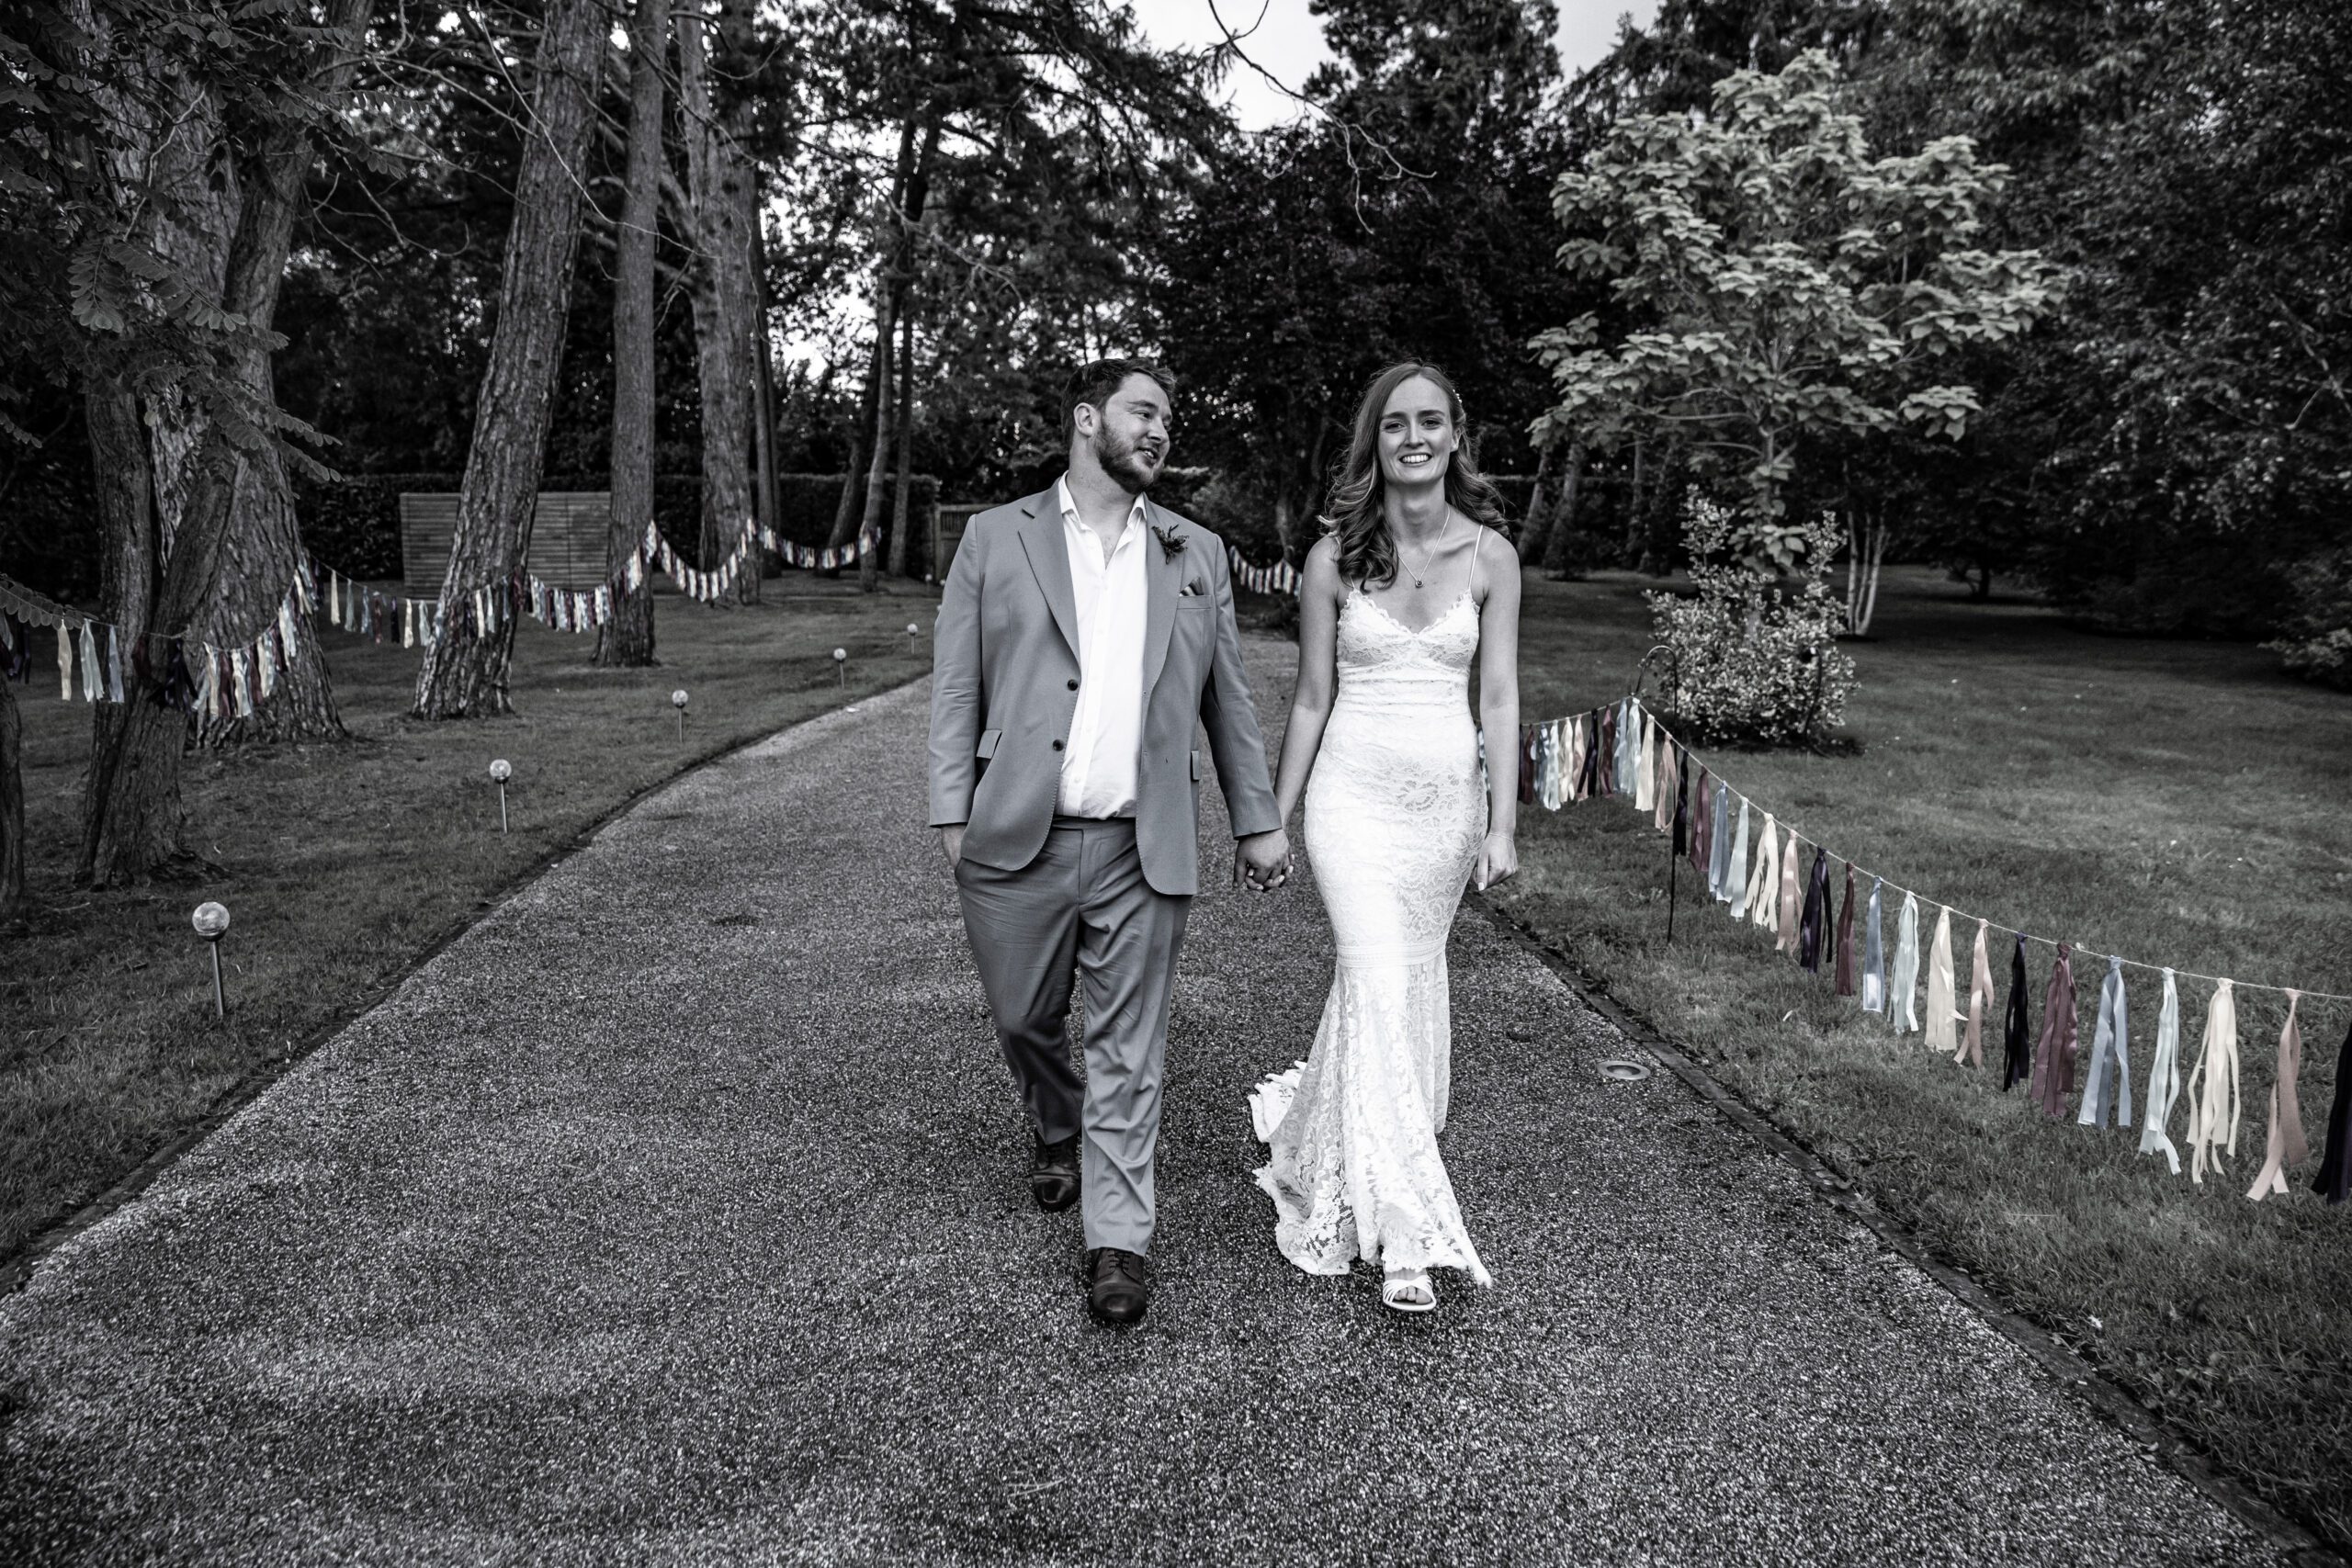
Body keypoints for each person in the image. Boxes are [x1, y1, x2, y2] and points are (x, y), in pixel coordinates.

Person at [929, 358, 1295, 1326]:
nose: (1160, 429)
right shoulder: (993, 538)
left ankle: (1118, 1242)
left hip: (1143, 845)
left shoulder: (1193, 553)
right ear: (1087, 420)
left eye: (1169, 417)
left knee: (1129, 1050)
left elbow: (1230, 704)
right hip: (1016, 837)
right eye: (1143, 411)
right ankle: (1056, 1122)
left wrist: (1256, 821)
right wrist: (952, 816)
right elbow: (956, 686)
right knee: (1023, 1018)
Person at [1248, 361, 1521, 1314]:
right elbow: (1313, 696)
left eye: (1430, 422)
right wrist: (1271, 819)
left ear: (1455, 436)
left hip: (1441, 815)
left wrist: (1503, 822)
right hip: (1349, 807)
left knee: (1403, 983)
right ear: (1376, 441)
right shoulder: (1331, 558)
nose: (1413, 437)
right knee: (1371, 971)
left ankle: (1323, 1130)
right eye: (1395, 423)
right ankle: (1403, 1233)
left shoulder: (1491, 558)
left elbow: (1496, 696)